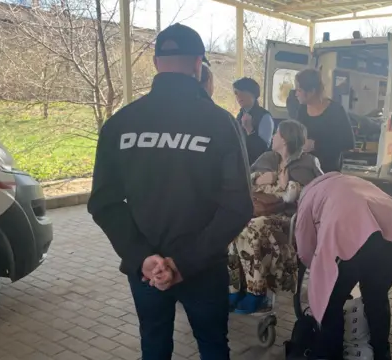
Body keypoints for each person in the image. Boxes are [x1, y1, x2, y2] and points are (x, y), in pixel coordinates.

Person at [87, 23, 253, 360]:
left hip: (146, 268)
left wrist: (144, 258)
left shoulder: (120, 124)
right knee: (212, 345)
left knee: (155, 343)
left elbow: (104, 203)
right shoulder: (220, 122)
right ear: (198, 64)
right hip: (202, 266)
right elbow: (237, 206)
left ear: (154, 62)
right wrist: (184, 263)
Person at [295, 173, 392, 360]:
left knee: (331, 302)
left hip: (361, 234)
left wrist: (317, 273)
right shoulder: (345, 181)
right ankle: (381, 353)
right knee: (376, 295)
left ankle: (329, 354)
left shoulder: (307, 195)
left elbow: (305, 249)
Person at [228, 119, 322, 314]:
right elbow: (242, 178)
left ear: (285, 138)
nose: (272, 137)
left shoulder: (308, 162)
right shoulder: (268, 157)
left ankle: (256, 293)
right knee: (235, 225)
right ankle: (235, 289)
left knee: (254, 227)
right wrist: (259, 178)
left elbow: (320, 191)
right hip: (260, 210)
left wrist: (292, 187)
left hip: (289, 218)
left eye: (276, 134)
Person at [295, 69, 355, 173]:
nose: (296, 94)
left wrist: (316, 145)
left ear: (311, 92)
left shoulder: (335, 110)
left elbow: (348, 142)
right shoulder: (302, 110)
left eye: (299, 90)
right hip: (305, 170)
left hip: (328, 171)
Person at [234, 77, 274, 164]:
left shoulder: (265, 117)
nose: (238, 96)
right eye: (236, 93)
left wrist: (250, 130)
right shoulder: (240, 115)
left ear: (253, 93)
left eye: (242, 92)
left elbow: (263, 150)